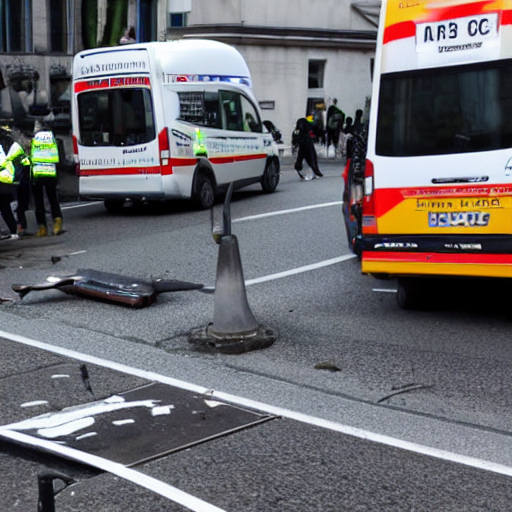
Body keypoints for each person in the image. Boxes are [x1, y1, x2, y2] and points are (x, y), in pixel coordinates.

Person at [30, 122, 63, 237]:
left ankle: (42, 228)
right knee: (53, 199)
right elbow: (59, 159)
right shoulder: (54, 141)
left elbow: (29, 157)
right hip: (51, 173)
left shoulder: (33, 141)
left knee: (38, 201)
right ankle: (57, 223)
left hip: (37, 174)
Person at [0, 130, 18, 239]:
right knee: (5, 207)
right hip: (6, 181)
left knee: (4, 207)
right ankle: (12, 230)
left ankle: (10, 231)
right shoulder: (6, 142)